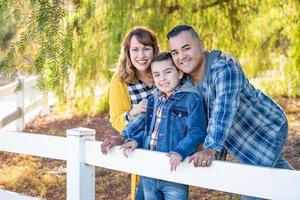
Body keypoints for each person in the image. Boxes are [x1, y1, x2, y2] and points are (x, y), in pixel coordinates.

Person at [167, 25, 293, 199]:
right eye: (175, 52)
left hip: (267, 129)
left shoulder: (224, 70)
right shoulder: (185, 81)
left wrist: (210, 149)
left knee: (253, 190)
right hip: (245, 139)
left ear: (202, 46)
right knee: (285, 179)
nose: (181, 56)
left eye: (186, 48)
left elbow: (223, 111)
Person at [120, 52, 207, 200]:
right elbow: (151, 132)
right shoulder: (154, 99)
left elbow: (196, 132)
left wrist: (180, 151)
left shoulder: (191, 98)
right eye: (157, 74)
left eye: (167, 72)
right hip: (150, 172)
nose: (162, 79)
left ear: (179, 73)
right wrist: (135, 140)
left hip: (174, 173)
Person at [104, 26, 159, 200]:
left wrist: (216, 56)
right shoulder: (120, 80)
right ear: (127, 52)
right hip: (140, 145)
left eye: (146, 49)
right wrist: (131, 113)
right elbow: (116, 119)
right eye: (135, 50)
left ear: (154, 50)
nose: (141, 56)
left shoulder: (165, 70)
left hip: (166, 143)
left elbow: (188, 61)